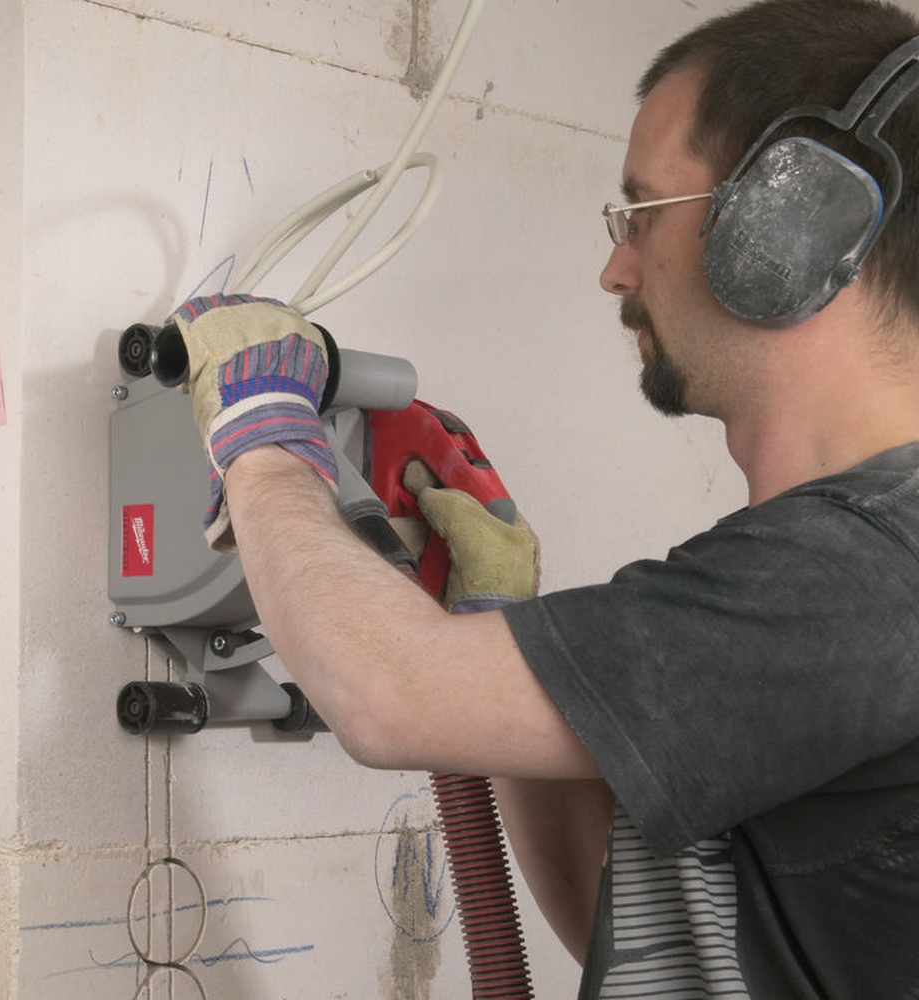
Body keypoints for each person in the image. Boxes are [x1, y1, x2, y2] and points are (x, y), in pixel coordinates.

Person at [171, 0, 919, 995]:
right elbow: (645, 929)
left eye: (640, 214)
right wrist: (502, 625)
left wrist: (261, 435)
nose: (615, 269)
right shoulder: (833, 564)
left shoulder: (860, 571)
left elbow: (385, 698)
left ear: (790, 225)